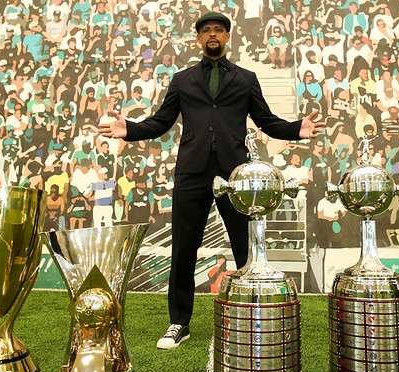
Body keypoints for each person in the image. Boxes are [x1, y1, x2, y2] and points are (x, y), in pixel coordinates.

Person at [99, 12, 323, 350]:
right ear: (199, 39)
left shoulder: (246, 79)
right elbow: (160, 122)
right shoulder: (182, 79)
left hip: (235, 174)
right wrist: (128, 129)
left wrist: (297, 130)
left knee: (244, 248)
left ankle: (253, 311)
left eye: (219, 29)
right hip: (192, 172)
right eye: (206, 31)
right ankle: (179, 322)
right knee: (184, 249)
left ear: (228, 36)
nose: (213, 35)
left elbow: (266, 120)